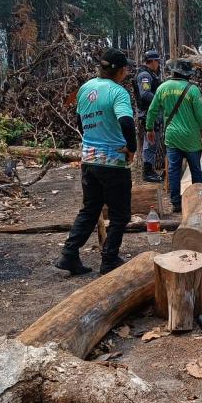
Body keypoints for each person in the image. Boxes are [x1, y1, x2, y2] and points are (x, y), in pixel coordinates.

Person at [55, 48, 136, 276]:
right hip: (112, 161)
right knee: (120, 214)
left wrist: (92, 140)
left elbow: (80, 122)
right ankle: (109, 259)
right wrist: (131, 148)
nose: (127, 72)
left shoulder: (85, 88)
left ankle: (69, 254)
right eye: (126, 69)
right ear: (120, 71)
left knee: (90, 209)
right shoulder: (118, 92)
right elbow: (127, 123)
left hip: (89, 159)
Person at [146, 58, 202, 213]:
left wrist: (149, 128)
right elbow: (201, 114)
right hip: (191, 138)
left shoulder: (163, 88)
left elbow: (152, 110)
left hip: (172, 137)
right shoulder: (193, 90)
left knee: (174, 170)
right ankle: (199, 200)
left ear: (174, 72)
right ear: (187, 74)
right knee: (196, 169)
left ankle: (176, 203)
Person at [134, 49, 163, 182]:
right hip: (148, 114)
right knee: (150, 143)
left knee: (152, 142)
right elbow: (145, 94)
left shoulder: (150, 74)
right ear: (151, 61)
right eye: (157, 61)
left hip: (152, 113)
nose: (158, 64)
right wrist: (161, 100)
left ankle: (150, 170)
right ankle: (147, 172)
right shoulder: (144, 75)